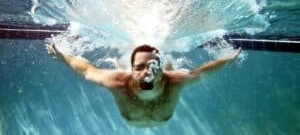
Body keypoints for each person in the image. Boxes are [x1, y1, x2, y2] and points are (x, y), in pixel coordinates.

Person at [47, 44, 241, 127]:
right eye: (139, 67)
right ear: (132, 69)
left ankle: (166, 62)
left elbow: (201, 73)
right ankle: (123, 61)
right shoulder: (116, 83)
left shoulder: (174, 81)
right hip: (126, 74)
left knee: (174, 69)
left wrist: (228, 60)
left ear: (160, 71)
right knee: (118, 68)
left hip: (168, 73)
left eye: (152, 67)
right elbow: (87, 71)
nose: (146, 72)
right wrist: (63, 56)